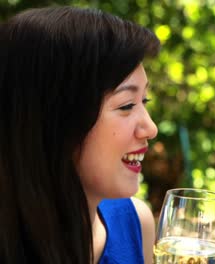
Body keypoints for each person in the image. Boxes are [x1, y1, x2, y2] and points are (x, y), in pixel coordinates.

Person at [0, 6, 160, 264]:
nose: (150, 128)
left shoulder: (136, 225)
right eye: (126, 105)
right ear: (57, 120)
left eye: (145, 100)